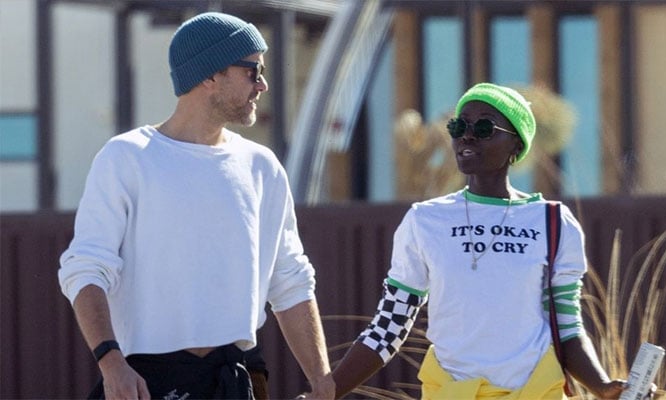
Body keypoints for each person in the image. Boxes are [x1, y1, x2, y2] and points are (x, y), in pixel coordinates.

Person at [58, 12, 334, 400]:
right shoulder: (127, 158)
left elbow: (290, 280)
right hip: (143, 384)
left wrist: (323, 382)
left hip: (234, 379)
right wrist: (111, 363)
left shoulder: (262, 166)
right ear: (210, 75)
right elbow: (85, 269)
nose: (263, 84)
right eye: (253, 71)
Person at [331, 82, 630, 399]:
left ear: (516, 144)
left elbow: (567, 327)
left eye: (484, 127)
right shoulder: (425, 220)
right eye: (459, 126)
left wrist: (601, 386)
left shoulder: (553, 222)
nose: (467, 135)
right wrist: (326, 392)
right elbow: (389, 327)